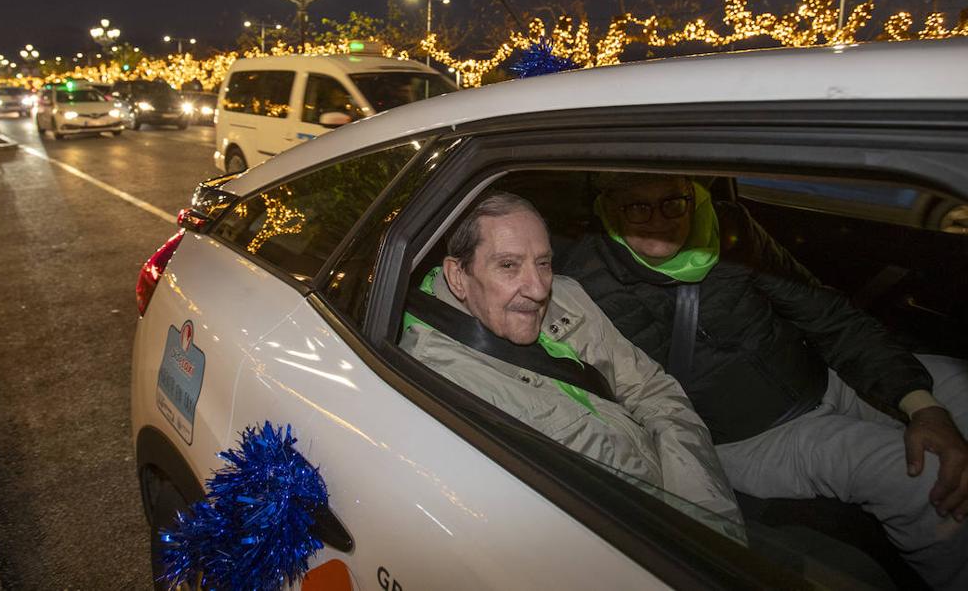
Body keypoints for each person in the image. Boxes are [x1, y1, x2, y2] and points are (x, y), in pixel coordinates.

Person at [556, 172, 968, 589]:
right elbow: (627, 405)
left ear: (694, 196)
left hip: (821, 377)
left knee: (957, 386)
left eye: (672, 202)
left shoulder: (729, 229)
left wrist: (921, 405)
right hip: (748, 439)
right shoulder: (587, 285)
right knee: (920, 477)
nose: (658, 219)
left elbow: (826, 314)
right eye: (636, 206)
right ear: (608, 209)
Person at [400, 191, 744, 537]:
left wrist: (705, 522)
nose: (537, 289)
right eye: (508, 265)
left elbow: (653, 389)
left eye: (544, 263)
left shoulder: (566, 294)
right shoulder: (437, 384)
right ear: (458, 276)